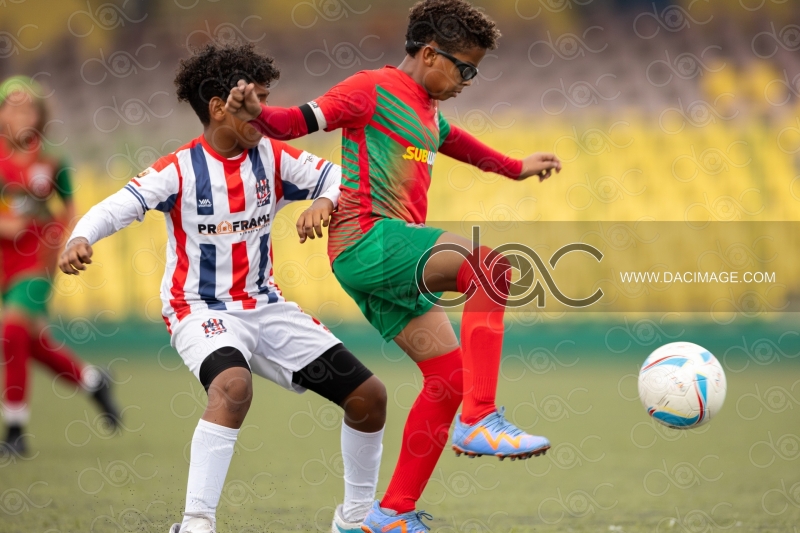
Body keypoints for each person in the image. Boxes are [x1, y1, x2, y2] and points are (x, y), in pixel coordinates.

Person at [224, 0, 563, 530]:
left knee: (447, 379)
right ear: (430, 54)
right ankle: (481, 418)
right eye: (465, 67)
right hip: (368, 240)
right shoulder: (370, 88)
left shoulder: (426, 109)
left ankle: (389, 515)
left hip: (380, 261)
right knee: (492, 268)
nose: (470, 80)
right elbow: (294, 122)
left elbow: (460, 144)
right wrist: (256, 113)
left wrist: (516, 167)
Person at [58, 43, 386, 533]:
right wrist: (81, 236)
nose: (266, 113)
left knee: (369, 397)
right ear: (218, 107)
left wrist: (325, 200)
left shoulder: (272, 156)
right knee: (233, 386)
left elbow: (341, 175)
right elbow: (116, 205)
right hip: (197, 309)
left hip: (266, 306)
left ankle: (357, 518)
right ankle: (195, 522)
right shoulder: (179, 169)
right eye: (256, 102)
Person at [0, 76, 120, 457]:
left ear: (40, 115)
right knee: (27, 340)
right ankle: (93, 380)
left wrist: (57, 241)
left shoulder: (51, 162)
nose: (21, 114)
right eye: (12, 105)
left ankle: (15, 431)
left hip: (35, 263)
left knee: (12, 330)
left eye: (28, 107)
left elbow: (68, 210)